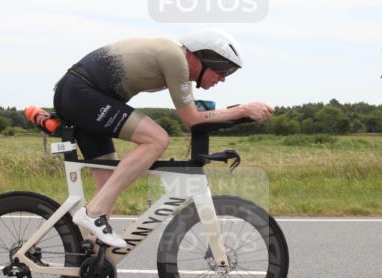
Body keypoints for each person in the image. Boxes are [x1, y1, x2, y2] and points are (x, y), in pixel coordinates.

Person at [52, 29, 274, 247]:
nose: (223, 79)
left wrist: (236, 113)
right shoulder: (175, 57)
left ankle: (87, 257)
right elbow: (192, 120)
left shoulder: (180, 68)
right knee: (156, 139)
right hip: (80, 92)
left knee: (108, 184)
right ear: (203, 57)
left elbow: (195, 115)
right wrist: (243, 109)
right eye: (223, 70)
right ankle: (92, 214)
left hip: (83, 95)